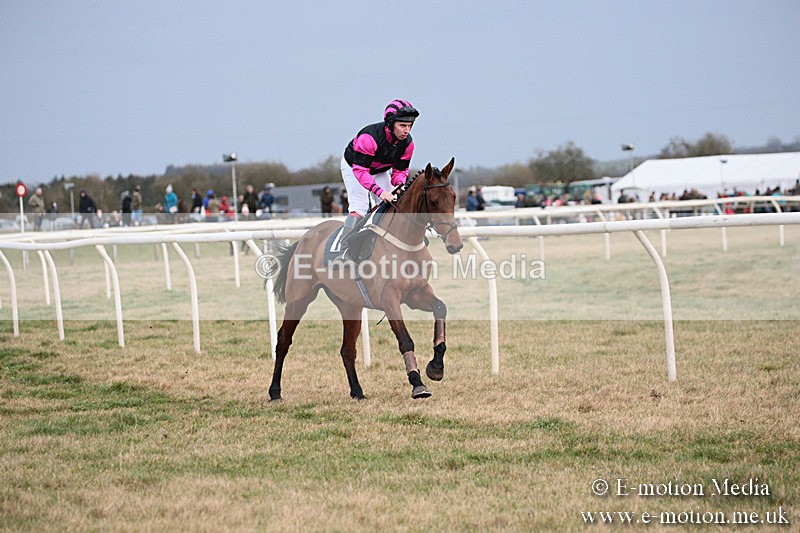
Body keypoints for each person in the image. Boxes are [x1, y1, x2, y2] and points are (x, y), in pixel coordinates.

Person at [339, 98, 419, 247]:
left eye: (409, 125)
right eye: (402, 125)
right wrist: (380, 192)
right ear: (390, 124)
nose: (406, 130)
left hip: (379, 170)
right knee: (360, 206)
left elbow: (400, 171)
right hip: (354, 167)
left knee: (393, 204)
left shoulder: (408, 144)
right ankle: (343, 247)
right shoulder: (368, 138)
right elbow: (361, 171)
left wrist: (399, 185)